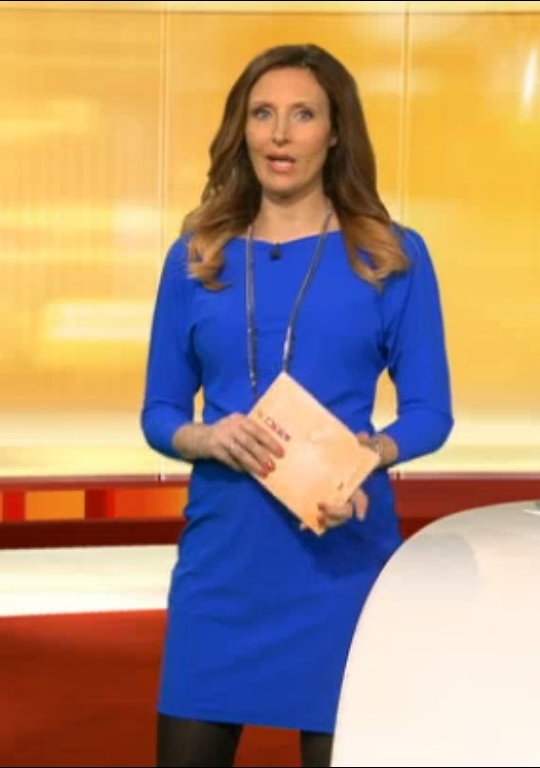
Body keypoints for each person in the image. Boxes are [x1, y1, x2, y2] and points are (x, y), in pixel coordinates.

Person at [140, 44, 454, 767]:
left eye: (303, 115)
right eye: (263, 114)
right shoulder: (196, 258)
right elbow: (159, 412)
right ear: (242, 129)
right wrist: (205, 438)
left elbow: (431, 413)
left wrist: (367, 455)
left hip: (341, 559)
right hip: (222, 564)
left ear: (336, 132)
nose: (280, 135)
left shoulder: (391, 256)